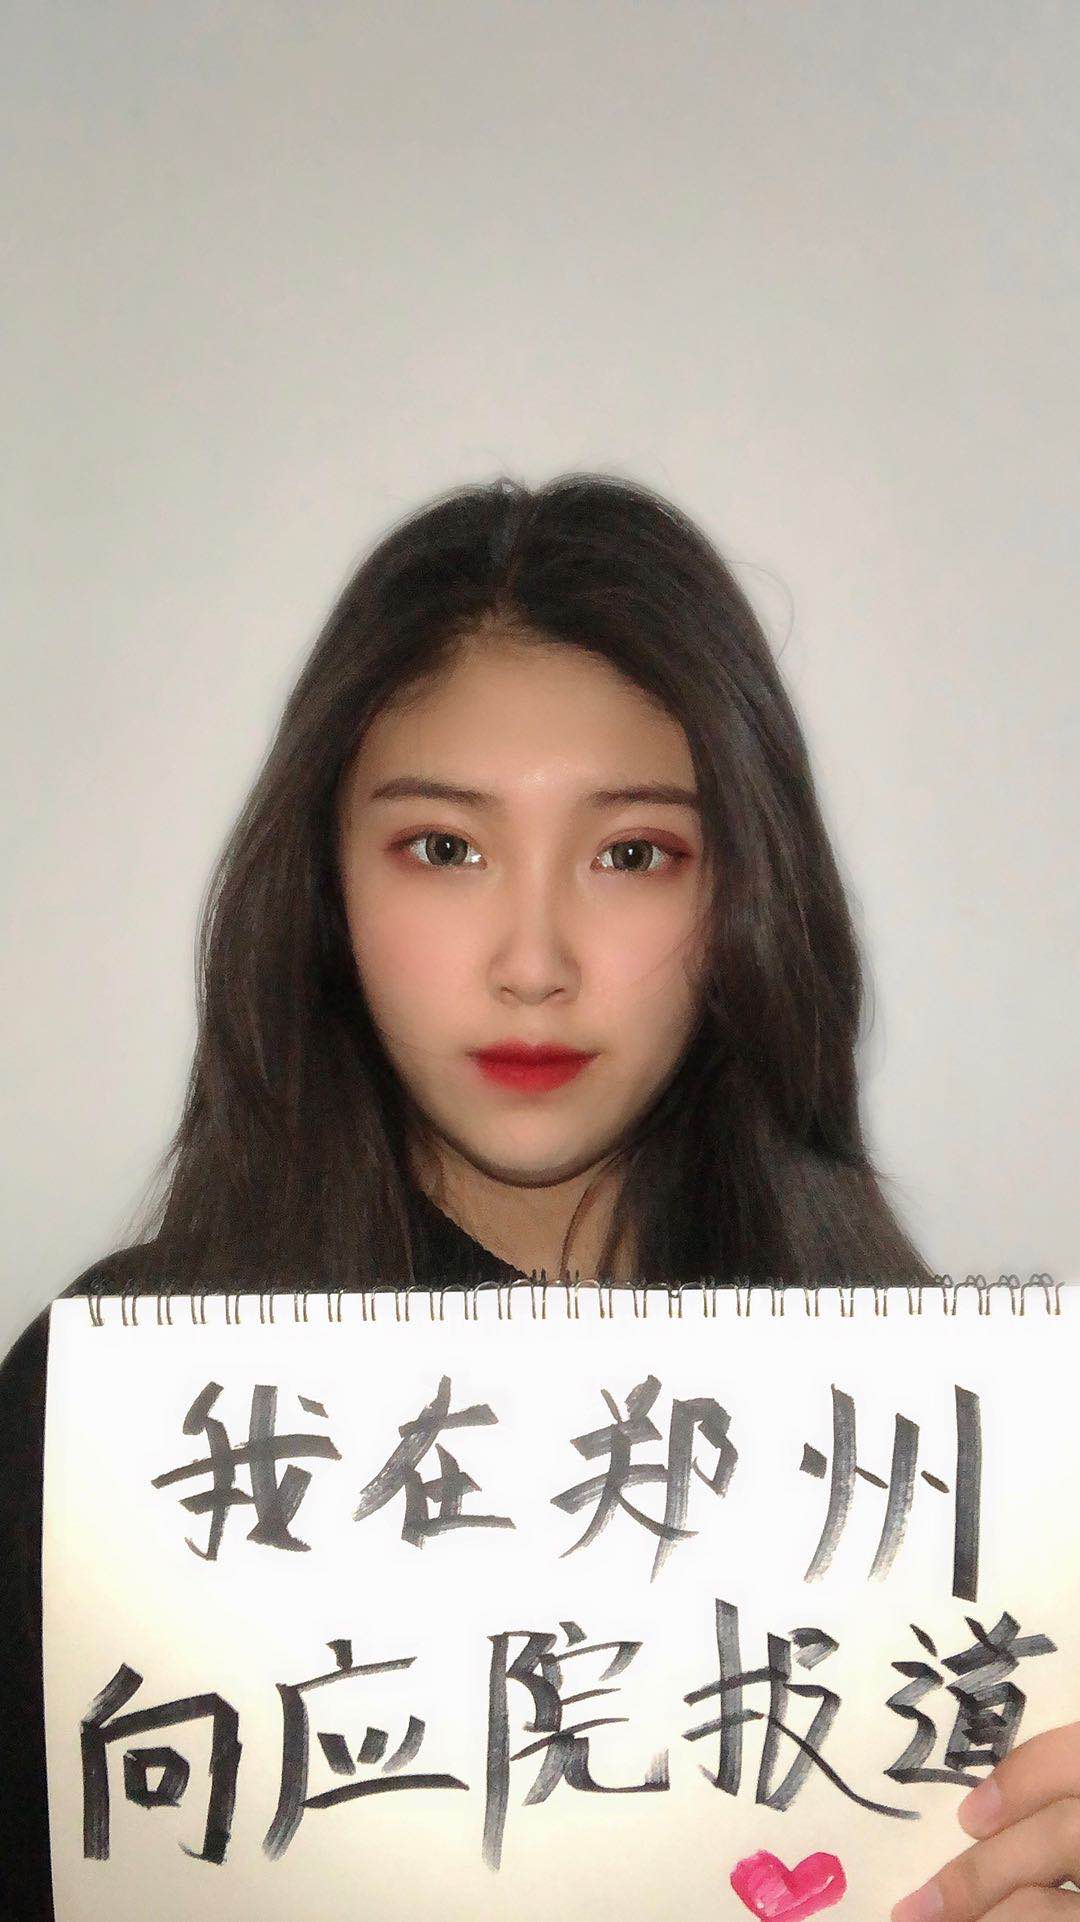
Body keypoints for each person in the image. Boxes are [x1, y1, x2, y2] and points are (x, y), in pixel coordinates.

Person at [3, 474, 1069, 1919]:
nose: (533, 963)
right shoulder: (100, 1419)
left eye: (633, 854)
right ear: (326, 887)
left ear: (744, 898)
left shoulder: (967, 1458)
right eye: (444, 849)